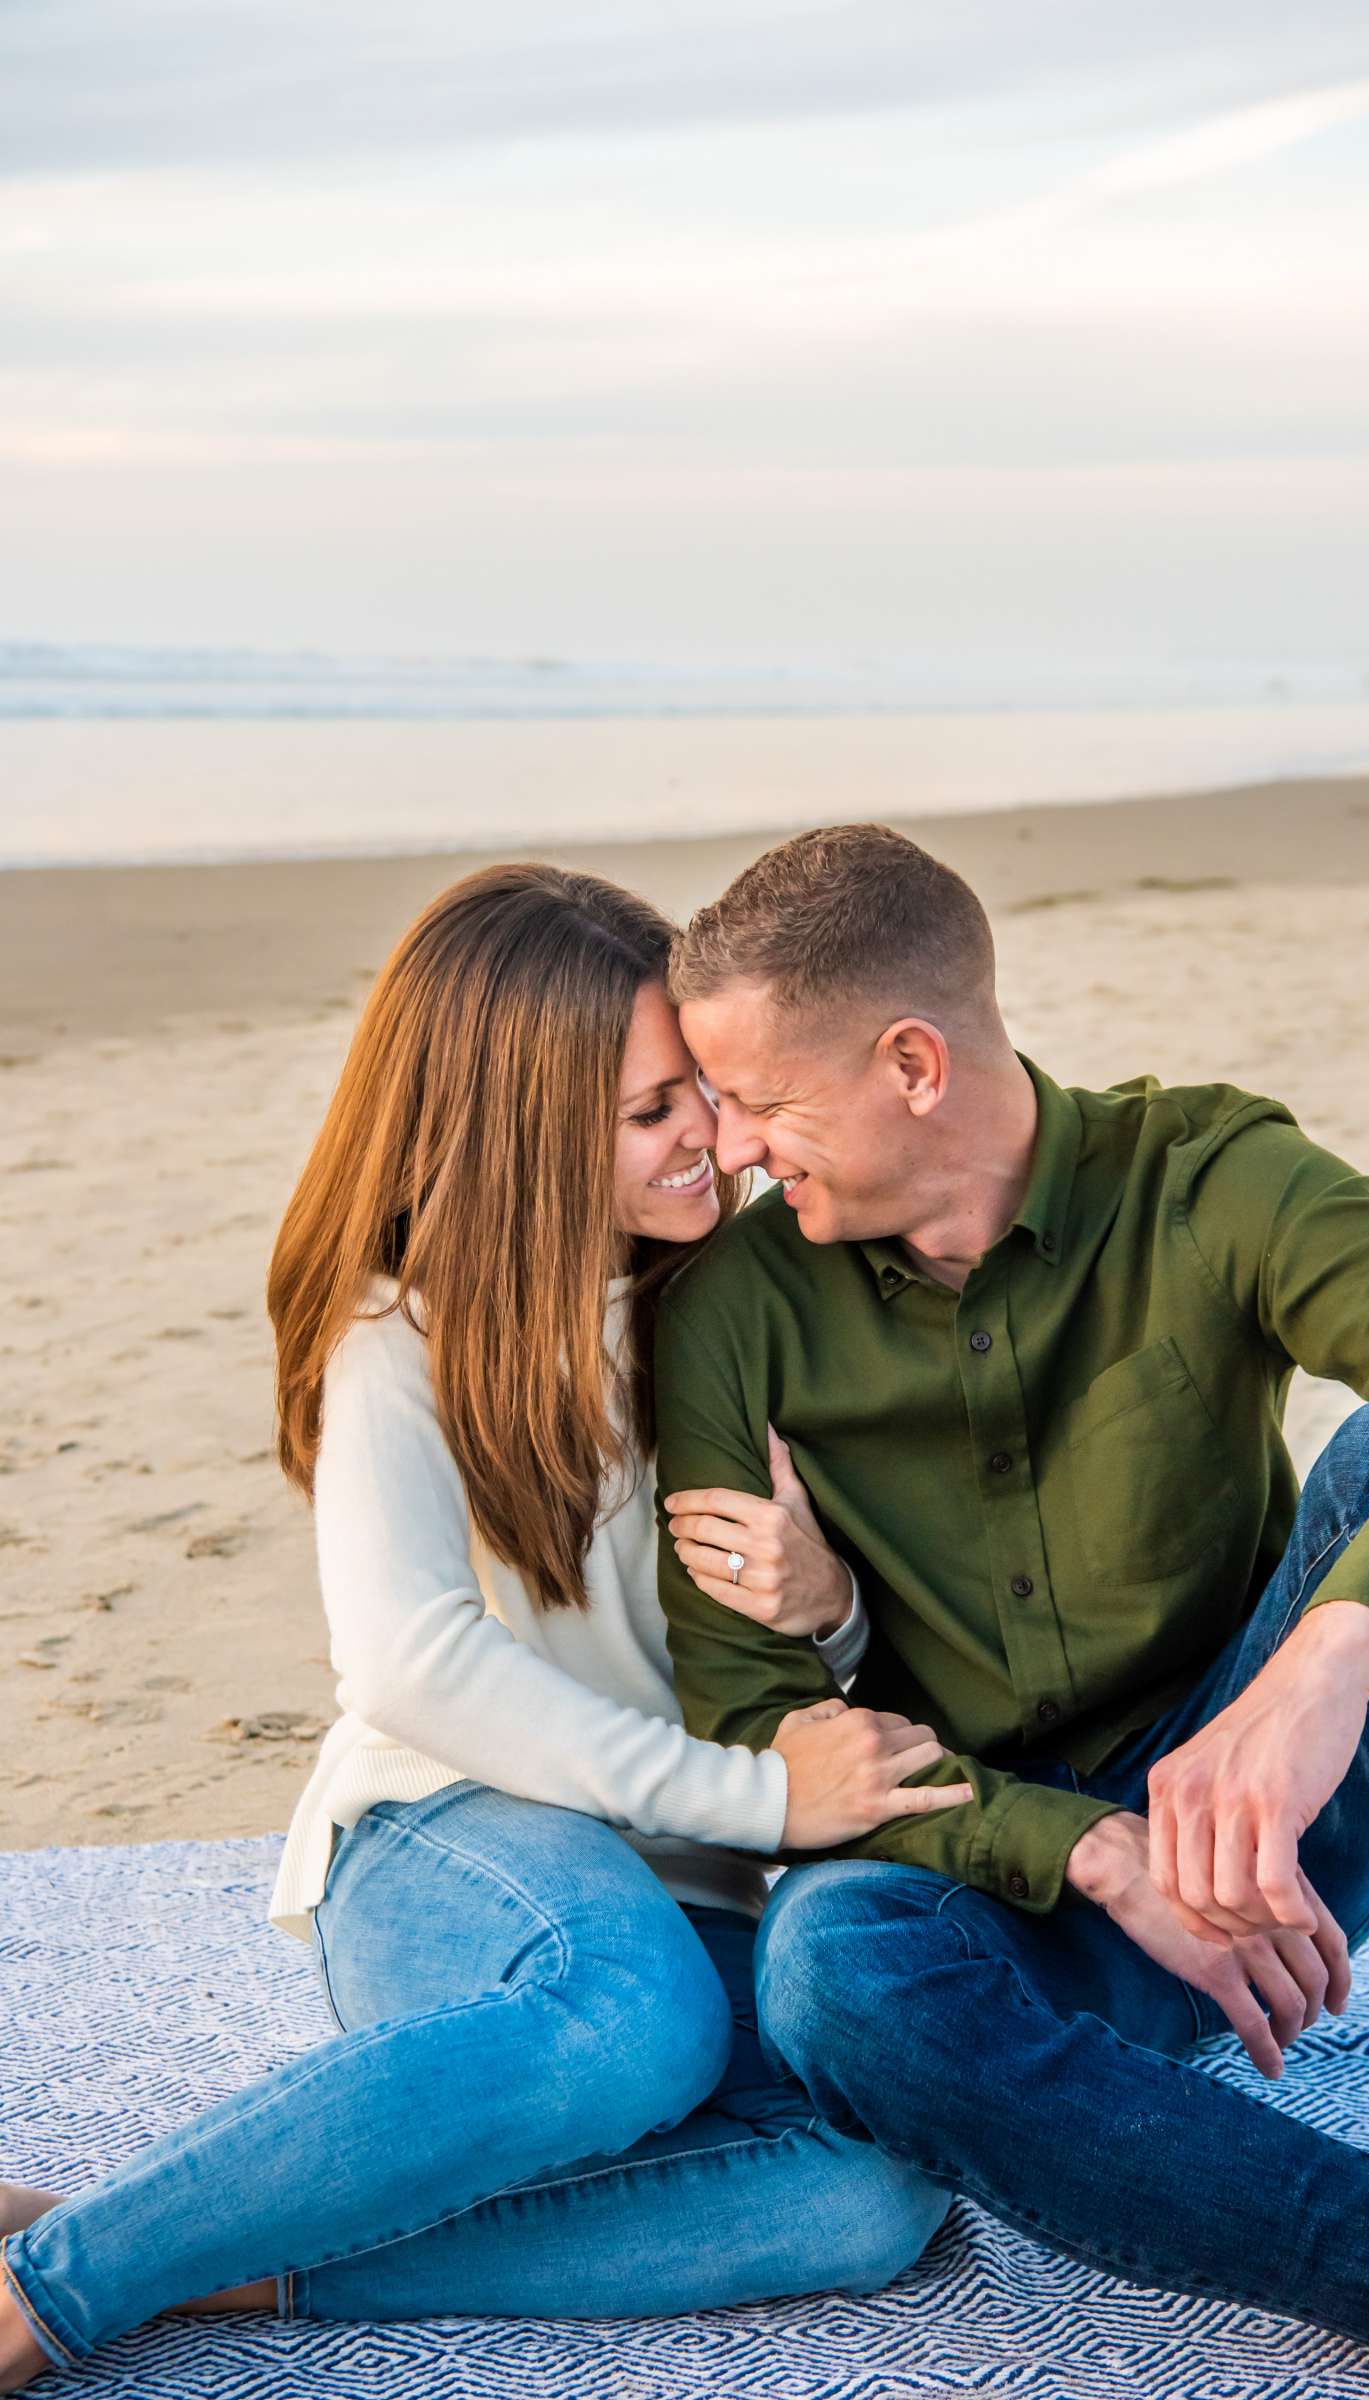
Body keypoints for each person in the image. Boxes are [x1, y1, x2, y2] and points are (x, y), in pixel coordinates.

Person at [652, 821, 1369, 2400]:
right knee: (832, 1974)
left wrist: (1319, 1674)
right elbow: (760, 1722)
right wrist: (1078, 1849)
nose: (734, 1146)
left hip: (1271, 1847)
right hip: (1013, 1899)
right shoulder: (735, 1309)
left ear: (910, 1062)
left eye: (760, 1100)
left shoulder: (1205, 1176)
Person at [0, 863, 957, 2389]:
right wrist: (759, 1802)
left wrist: (825, 1606)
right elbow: (416, 1667)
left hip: (686, 1879)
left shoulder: (745, 1304)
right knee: (626, 2018)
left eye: (699, 1091)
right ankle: (50, 2294)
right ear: (524, 1130)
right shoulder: (396, 1335)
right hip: (448, 1839)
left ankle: (196, 2254)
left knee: (876, 2182)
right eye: (653, 1112)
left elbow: (785, 1665)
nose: (711, 1137)